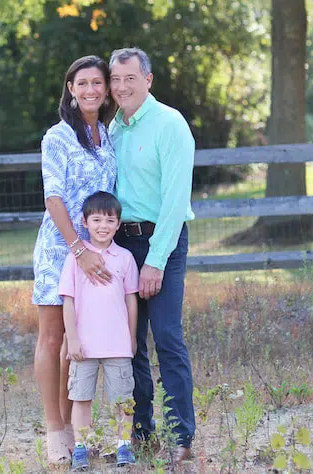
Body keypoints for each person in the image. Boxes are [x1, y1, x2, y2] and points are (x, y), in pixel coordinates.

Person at [108, 47, 196, 462]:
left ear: (148, 80)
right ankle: (142, 433)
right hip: (121, 244)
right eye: (116, 79)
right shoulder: (114, 128)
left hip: (162, 239)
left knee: (166, 336)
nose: (122, 86)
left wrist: (155, 260)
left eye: (130, 78)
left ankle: (181, 437)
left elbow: (175, 199)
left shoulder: (170, 124)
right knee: (130, 342)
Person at [32, 55, 117, 464]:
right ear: (70, 88)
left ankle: (72, 427)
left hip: (98, 255)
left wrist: (98, 250)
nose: (90, 90)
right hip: (61, 249)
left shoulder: (107, 133)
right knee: (53, 336)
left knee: (77, 342)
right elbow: (54, 198)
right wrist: (78, 250)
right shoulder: (58, 137)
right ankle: (53, 430)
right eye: (82, 83)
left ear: (106, 88)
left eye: (97, 83)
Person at [59, 191, 139, 470]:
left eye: (110, 220)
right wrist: (73, 339)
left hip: (117, 343)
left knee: (123, 400)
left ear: (118, 224)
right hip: (84, 346)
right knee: (81, 398)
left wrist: (131, 338)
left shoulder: (125, 258)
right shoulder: (76, 258)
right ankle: (81, 448)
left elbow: (131, 300)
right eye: (96, 219)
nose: (103, 226)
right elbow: (67, 302)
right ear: (84, 222)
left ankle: (124, 446)